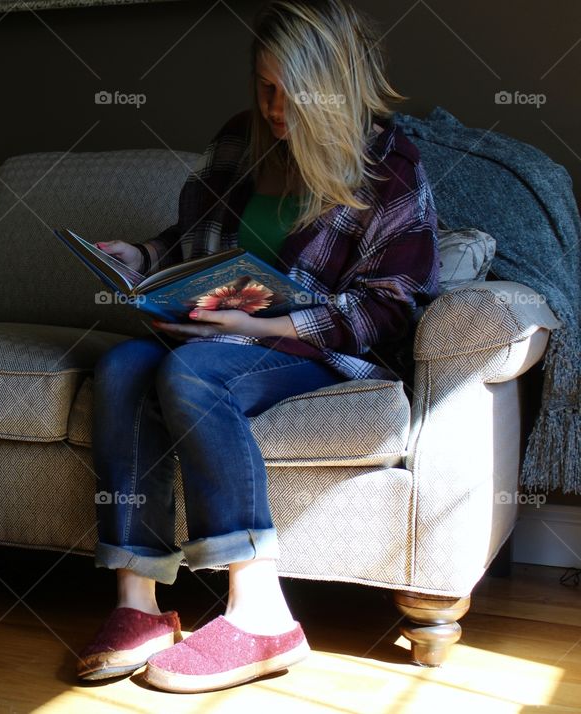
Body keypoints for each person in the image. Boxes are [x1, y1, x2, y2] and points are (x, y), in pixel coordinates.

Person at [75, 0, 440, 694]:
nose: (275, 108)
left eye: (292, 93)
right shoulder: (241, 141)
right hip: (221, 331)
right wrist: (142, 254)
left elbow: (392, 306)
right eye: (265, 88)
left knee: (193, 374)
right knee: (120, 366)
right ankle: (137, 607)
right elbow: (194, 244)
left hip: (317, 346)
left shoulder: (390, 163)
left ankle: (261, 611)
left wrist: (267, 329)